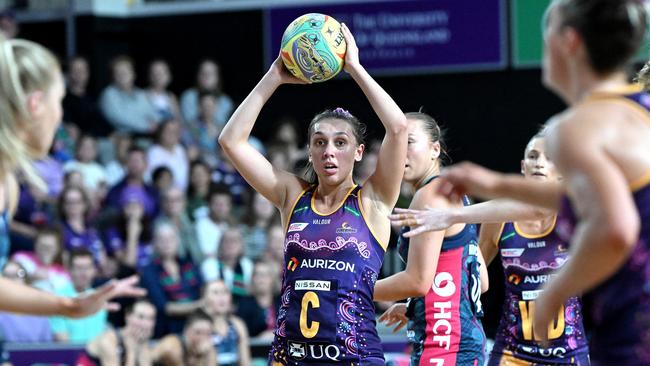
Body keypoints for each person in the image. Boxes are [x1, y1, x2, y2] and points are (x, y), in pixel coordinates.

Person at [398, 1, 650, 364]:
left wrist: (555, 292)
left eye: (545, 36)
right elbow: (563, 198)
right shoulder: (631, 113)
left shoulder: (581, 127)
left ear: (569, 43)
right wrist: (483, 192)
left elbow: (618, 229)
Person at [218, 24, 408, 365]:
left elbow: (398, 128)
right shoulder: (292, 195)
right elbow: (230, 141)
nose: (329, 152)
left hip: (354, 357)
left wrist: (355, 68)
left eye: (340, 143)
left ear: (360, 152)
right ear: (309, 151)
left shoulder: (373, 200)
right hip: (291, 357)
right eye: (319, 142)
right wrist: (274, 75)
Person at [392, 133, 591, 364]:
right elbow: (470, 278)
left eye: (550, 158)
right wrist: (414, 304)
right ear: (523, 167)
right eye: (533, 156)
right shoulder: (498, 219)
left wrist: (452, 216)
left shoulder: (575, 216)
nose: (539, 163)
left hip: (568, 350)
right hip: (512, 352)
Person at [0, 34, 143, 318]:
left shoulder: (8, 181)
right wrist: (65, 306)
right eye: (59, 101)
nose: (60, 115)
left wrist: (69, 306)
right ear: (35, 104)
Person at [374, 112, 488, 365]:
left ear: (435, 149)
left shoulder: (429, 196)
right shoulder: (453, 192)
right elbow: (481, 280)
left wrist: (353, 289)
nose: (400, 151)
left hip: (444, 347)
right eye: (396, 143)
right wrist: (417, 306)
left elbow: (417, 281)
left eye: (410, 142)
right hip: (465, 343)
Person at [80, 299, 157, 366]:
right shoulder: (108, 341)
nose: (146, 324)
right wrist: (131, 352)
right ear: (127, 316)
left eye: (151, 318)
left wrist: (142, 347)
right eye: (140, 317)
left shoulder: (142, 341)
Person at [202, 279, 251, 366]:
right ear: (205, 298)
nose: (221, 297)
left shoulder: (238, 324)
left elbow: (245, 362)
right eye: (215, 292)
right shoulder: (200, 327)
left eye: (225, 292)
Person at [153, 309, 217, 366]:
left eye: (208, 333)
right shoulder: (172, 347)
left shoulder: (209, 349)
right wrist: (200, 356)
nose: (203, 338)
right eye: (198, 332)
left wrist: (208, 356)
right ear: (186, 331)